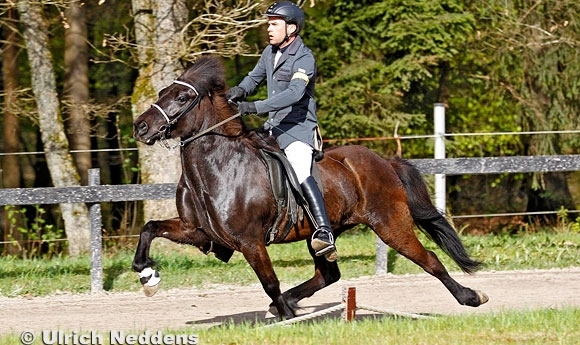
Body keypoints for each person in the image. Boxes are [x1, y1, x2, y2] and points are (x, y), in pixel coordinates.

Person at [227, 1, 337, 261]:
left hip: (298, 128)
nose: (269, 28)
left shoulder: (304, 58)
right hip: (273, 128)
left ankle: (324, 230)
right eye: (268, 23)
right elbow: (254, 78)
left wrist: (254, 106)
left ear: (292, 28)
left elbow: (294, 93)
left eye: (274, 23)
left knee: (300, 169)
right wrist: (236, 93)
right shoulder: (269, 52)